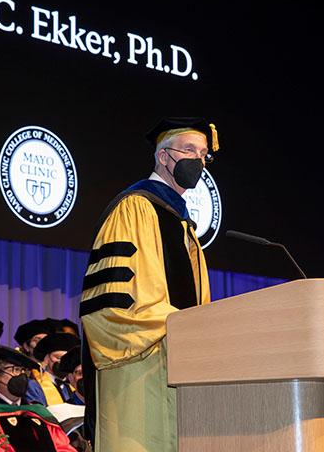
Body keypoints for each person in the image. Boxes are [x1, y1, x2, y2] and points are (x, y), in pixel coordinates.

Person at [80, 117, 216, 452]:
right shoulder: (135, 208)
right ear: (163, 156)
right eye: (189, 150)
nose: (197, 161)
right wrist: (181, 325)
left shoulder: (183, 225)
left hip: (179, 367)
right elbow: (114, 303)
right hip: (140, 368)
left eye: (203, 155)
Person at [32, 332, 79, 405]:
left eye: (67, 359)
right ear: (47, 358)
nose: (63, 362)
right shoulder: (34, 385)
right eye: (59, 358)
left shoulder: (73, 385)